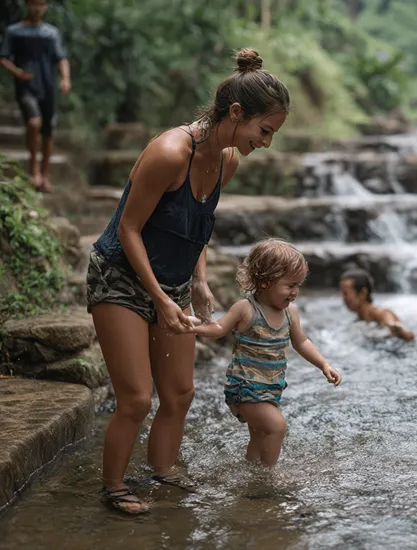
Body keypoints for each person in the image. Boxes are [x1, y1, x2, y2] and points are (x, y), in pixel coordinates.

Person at [85, 48, 290, 514]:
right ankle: (113, 487)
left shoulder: (227, 161)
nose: (268, 143)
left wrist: (197, 282)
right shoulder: (170, 152)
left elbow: (199, 225)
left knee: (180, 393)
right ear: (236, 113)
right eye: (265, 130)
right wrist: (158, 297)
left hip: (174, 282)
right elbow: (128, 229)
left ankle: (164, 472)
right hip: (120, 276)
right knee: (137, 398)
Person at [190, 239, 342, 467]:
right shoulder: (246, 309)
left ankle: (251, 473)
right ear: (264, 282)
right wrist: (192, 327)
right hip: (245, 387)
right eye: (290, 285)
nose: (295, 292)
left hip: (271, 387)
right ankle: (269, 476)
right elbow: (219, 329)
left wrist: (323, 364)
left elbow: (302, 342)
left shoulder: (291, 312)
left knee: (260, 436)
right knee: (277, 427)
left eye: (298, 285)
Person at [0, 0, 71, 193]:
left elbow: (61, 58)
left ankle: (45, 176)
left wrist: (65, 78)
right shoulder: (15, 31)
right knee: (33, 123)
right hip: (26, 87)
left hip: (47, 88)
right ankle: (34, 170)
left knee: (47, 131)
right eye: (33, 4)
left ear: (46, 7)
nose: (37, 8)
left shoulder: (51, 33)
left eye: (41, 4)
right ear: (27, 5)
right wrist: (17, 72)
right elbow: (3, 58)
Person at [339, 268, 415, 341]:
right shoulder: (359, 321)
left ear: (363, 293)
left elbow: (394, 324)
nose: (343, 298)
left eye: (345, 293)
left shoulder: (381, 313)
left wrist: (397, 327)